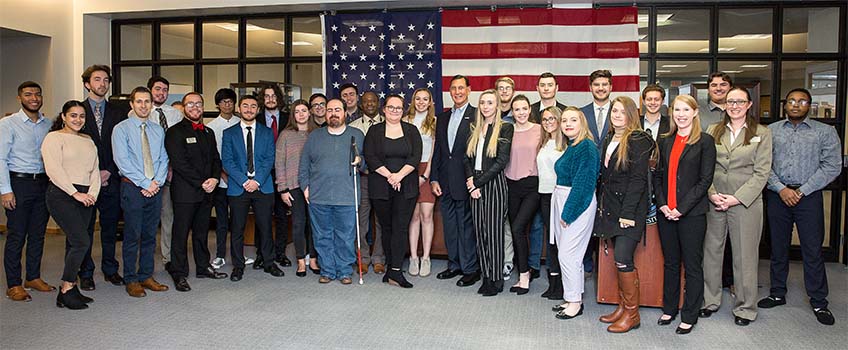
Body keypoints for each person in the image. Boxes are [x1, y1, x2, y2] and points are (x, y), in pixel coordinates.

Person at [760, 88, 841, 326]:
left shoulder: (825, 132)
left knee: (812, 249)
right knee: (778, 247)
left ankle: (818, 301)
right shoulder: (771, 131)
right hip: (777, 195)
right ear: (785, 105)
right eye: (792, 101)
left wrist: (802, 190)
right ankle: (777, 293)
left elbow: (832, 166)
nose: (796, 105)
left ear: (809, 105)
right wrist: (780, 188)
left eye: (802, 101)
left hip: (809, 196)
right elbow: (763, 165)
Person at [701, 86, 772, 327]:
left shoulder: (761, 133)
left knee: (744, 257)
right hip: (715, 200)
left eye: (740, 102)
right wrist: (711, 193)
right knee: (711, 253)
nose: (734, 106)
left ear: (749, 104)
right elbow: (705, 166)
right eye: (731, 102)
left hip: (746, 204)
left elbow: (762, 173)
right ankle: (709, 301)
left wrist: (737, 198)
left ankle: (745, 307)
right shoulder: (713, 130)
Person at [654, 95, 716, 334]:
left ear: (695, 112)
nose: (680, 114)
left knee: (692, 265)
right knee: (670, 263)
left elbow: (705, 180)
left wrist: (681, 208)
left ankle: (689, 314)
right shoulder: (665, 141)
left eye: (685, 110)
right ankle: (669, 309)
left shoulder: (705, 142)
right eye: (676, 110)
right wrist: (662, 205)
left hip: (691, 214)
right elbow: (657, 176)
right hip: (665, 212)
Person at [594, 96, 655, 333]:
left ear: (631, 114)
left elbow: (639, 179)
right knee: (619, 260)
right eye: (614, 111)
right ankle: (622, 307)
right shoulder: (611, 137)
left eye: (622, 111)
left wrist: (628, 213)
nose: (617, 115)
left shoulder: (638, 139)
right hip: (611, 207)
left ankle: (633, 314)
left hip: (629, 209)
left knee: (623, 257)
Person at [165, 92, 228, 292]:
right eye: (190, 104)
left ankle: (203, 267)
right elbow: (180, 163)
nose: (195, 107)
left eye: (199, 104)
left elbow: (216, 160)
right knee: (180, 234)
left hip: (206, 192)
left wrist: (215, 179)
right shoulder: (175, 132)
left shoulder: (207, 132)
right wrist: (202, 182)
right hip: (185, 192)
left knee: (201, 233)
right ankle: (179, 273)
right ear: (184, 108)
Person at [112, 86, 170, 298]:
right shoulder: (121, 129)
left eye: (147, 102)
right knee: (132, 235)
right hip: (133, 187)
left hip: (155, 188)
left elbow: (164, 158)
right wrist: (145, 183)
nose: (144, 105)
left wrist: (157, 182)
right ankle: (131, 279)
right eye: (139, 102)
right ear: (132, 104)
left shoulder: (158, 130)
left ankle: (146, 275)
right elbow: (122, 161)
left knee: (149, 235)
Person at [299, 99, 365, 285]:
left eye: (337, 110)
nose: (333, 113)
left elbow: (366, 163)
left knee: (345, 236)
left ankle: (344, 271)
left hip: (347, 196)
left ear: (345, 113)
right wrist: (305, 186)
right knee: (322, 235)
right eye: (329, 110)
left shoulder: (356, 135)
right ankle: (327, 270)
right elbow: (304, 164)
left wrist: (359, 161)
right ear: (324, 113)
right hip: (319, 196)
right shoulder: (315, 137)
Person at [42, 100, 100, 309]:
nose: (78, 119)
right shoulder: (54, 138)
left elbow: (95, 170)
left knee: (75, 243)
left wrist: (92, 193)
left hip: (86, 195)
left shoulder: (88, 140)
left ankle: (71, 287)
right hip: (62, 194)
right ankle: (66, 287)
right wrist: (75, 193)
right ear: (64, 116)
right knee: (81, 242)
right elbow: (54, 170)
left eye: (81, 116)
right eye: (73, 115)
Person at [1, 81, 55, 302]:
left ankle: (33, 277)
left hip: (43, 184)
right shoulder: (8, 124)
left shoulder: (48, 124)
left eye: (37, 94)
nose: (34, 98)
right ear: (19, 98)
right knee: (16, 236)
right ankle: (14, 283)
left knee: (38, 234)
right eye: (28, 94)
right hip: (19, 184)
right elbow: (1, 159)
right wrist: (5, 191)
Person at [221, 94, 283, 282]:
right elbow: (227, 161)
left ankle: (268, 262)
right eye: (245, 106)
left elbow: (269, 158)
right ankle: (238, 266)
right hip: (238, 188)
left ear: (258, 109)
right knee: (237, 229)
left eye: (253, 106)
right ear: (239, 109)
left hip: (263, 186)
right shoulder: (229, 133)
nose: (249, 109)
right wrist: (244, 181)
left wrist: (256, 180)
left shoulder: (266, 132)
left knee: (265, 227)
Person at [365, 95, 422, 288]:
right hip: (381, 186)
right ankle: (390, 270)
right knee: (386, 228)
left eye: (398, 108)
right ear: (384, 109)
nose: (395, 111)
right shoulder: (374, 131)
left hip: (406, 186)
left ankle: (396, 271)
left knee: (400, 227)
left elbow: (415, 158)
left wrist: (399, 176)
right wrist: (390, 175)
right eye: (391, 107)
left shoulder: (411, 130)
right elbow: (371, 158)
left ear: (403, 110)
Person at [78, 65, 127, 291]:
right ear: (87, 84)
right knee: (84, 230)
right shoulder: (76, 111)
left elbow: (123, 146)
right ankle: (85, 272)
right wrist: (93, 173)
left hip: (111, 177)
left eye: (106, 80)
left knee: (109, 229)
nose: (102, 84)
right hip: (85, 181)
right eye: (97, 80)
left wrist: (108, 170)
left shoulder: (119, 111)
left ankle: (110, 269)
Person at [550, 107, 600, 319]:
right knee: (573, 256)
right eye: (564, 120)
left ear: (582, 123)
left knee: (568, 255)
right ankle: (572, 297)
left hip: (576, 203)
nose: (568, 124)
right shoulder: (573, 146)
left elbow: (583, 184)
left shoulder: (587, 147)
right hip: (563, 200)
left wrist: (568, 213)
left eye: (573, 120)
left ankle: (575, 303)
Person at [431, 75, 479, 287]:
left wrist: (474, 180)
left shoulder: (477, 115)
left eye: (461, 88)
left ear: (468, 90)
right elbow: (439, 152)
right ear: (449, 91)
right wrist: (433, 178)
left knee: (466, 226)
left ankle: (470, 269)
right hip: (444, 180)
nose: (457, 92)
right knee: (450, 226)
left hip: (466, 180)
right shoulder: (442, 118)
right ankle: (455, 265)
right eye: (454, 88)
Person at [464, 89, 513, 297]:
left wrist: (477, 183)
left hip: (493, 183)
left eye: (490, 103)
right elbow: (466, 157)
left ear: (497, 105)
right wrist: (471, 181)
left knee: (494, 234)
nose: (485, 106)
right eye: (483, 102)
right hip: (474, 182)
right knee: (480, 232)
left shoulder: (505, 128)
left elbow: (501, 162)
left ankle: (496, 278)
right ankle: (486, 275)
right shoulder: (474, 127)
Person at [206, 88, 249, 270]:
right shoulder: (212, 127)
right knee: (222, 220)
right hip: (222, 182)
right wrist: (224, 174)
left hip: (240, 181)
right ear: (218, 105)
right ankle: (220, 255)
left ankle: (239, 254)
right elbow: (215, 156)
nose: (227, 104)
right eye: (223, 102)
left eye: (230, 101)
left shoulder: (242, 123)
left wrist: (239, 177)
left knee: (239, 220)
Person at [275, 99, 319, 277]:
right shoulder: (286, 135)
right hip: (293, 187)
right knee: (299, 224)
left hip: (316, 186)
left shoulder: (317, 133)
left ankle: (314, 259)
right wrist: (283, 189)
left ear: (310, 112)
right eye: (297, 112)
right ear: (293, 115)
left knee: (314, 224)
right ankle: (301, 260)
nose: (301, 114)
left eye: (303, 110)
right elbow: (279, 163)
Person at [504, 95, 540, 295]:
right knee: (517, 231)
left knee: (518, 228)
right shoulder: (507, 130)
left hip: (532, 185)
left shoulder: (539, 130)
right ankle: (522, 273)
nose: (521, 112)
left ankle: (524, 275)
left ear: (529, 109)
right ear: (512, 112)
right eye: (517, 109)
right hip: (511, 185)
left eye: (524, 108)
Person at [147, 76, 184, 270]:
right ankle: (146, 258)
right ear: (150, 90)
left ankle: (167, 257)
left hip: (171, 173)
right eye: (158, 89)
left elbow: (178, 144)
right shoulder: (138, 113)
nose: (161, 93)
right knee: (149, 219)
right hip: (148, 176)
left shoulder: (175, 114)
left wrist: (172, 167)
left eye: (165, 90)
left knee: (168, 216)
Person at [349, 91, 386, 274]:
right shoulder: (353, 127)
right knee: (362, 220)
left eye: (373, 101)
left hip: (383, 179)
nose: (369, 104)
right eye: (366, 102)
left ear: (378, 103)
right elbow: (352, 155)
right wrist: (364, 168)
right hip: (363, 178)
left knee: (381, 220)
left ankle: (379, 257)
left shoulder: (389, 123)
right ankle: (362, 258)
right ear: (361, 105)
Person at [259, 83, 291, 269]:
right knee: (262, 215)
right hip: (262, 174)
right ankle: (261, 254)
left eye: (273, 96)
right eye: (267, 96)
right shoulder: (256, 119)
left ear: (279, 98)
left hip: (284, 174)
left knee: (281, 215)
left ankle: (280, 253)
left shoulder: (288, 119)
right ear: (263, 100)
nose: (270, 99)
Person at [405, 88, 437, 277]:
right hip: (408, 169)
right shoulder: (406, 120)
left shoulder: (434, 122)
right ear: (413, 100)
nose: (421, 102)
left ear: (430, 102)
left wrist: (426, 175)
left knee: (426, 215)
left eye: (425, 99)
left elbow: (434, 152)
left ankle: (426, 257)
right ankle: (414, 258)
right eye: (418, 99)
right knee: (414, 216)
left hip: (426, 169)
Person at [536, 107, 566, 301]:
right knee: (551, 240)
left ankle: (563, 285)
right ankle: (553, 281)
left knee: (562, 241)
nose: (548, 122)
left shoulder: (566, 145)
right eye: (545, 119)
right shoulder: (544, 142)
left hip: (560, 196)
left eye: (552, 119)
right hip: (545, 195)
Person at [582, 69, 613, 145]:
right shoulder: (581, 113)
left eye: (605, 84)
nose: (600, 88)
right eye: (596, 85)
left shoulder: (619, 113)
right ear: (590, 88)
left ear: (610, 87)